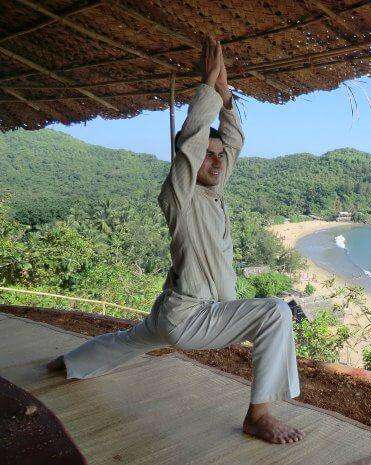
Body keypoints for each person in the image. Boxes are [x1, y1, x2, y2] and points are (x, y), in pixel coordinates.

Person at [47, 37, 304, 444]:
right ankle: (258, 416)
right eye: (209, 154)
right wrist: (205, 86)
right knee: (276, 312)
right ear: (189, 159)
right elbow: (192, 143)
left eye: (220, 156)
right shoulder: (180, 194)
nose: (218, 161)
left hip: (176, 312)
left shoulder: (212, 190)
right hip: (192, 317)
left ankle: (71, 363)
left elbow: (232, 142)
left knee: (129, 340)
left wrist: (224, 92)